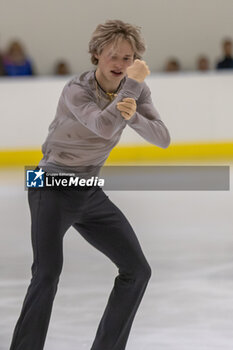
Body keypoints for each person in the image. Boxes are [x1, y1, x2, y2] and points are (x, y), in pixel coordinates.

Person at [9, 19, 170, 350]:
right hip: (47, 182)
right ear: (97, 54)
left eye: (128, 59)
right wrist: (130, 93)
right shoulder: (76, 89)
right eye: (114, 56)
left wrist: (134, 115)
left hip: (87, 188)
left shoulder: (136, 90)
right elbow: (102, 127)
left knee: (137, 270)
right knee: (47, 273)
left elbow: (163, 138)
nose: (121, 65)